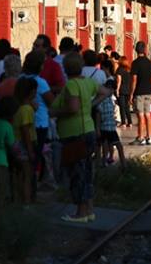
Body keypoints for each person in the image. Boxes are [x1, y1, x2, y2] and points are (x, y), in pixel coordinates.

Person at [51, 52, 110, 223]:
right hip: (88, 128)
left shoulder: (71, 85)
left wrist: (54, 112)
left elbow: (73, 108)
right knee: (87, 171)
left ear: (66, 68)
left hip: (74, 133)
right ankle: (89, 209)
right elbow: (105, 92)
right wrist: (91, 104)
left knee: (77, 173)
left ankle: (81, 212)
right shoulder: (88, 82)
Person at [19, 50, 56, 190]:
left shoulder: (20, 78)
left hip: (24, 120)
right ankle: (34, 186)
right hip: (40, 122)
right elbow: (51, 102)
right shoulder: (41, 82)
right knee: (36, 154)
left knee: (25, 155)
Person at [12, 77, 37, 204]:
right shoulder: (27, 109)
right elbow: (25, 130)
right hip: (23, 144)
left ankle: (18, 200)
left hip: (16, 143)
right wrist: (30, 150)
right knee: (27, 175)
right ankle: (26, 202)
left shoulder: (18, 107)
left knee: (19, 174)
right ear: (32, 92)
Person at [129, 42, 151, 145]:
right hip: (148, 92)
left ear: (136, 50)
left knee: (140, 116)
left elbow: (134, 80)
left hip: (139, 92)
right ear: (145, 49)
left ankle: (141, 137)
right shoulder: (150, 63)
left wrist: (131, 94)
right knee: (148, 115)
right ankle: (149, 137)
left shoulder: (135, 63)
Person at [98, 77, 125, 171]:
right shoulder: (102, 100)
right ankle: (105, 161)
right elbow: (98, 114)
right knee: (110, 146)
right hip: (105, 127)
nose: (110, 91)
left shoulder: (110, 99)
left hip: (111, 126)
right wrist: (98, 128)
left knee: (112, 145)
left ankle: (113, 161)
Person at [114, 56, 132, 128]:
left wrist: (117, 89)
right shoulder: (128, 70)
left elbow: (119, 80)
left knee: (122, 106)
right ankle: (130, 122)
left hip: (122, 89)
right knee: (127, 107)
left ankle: (123, 122)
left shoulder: (119, 70)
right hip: (128, 90)